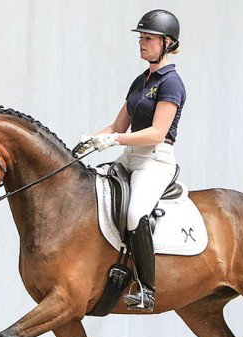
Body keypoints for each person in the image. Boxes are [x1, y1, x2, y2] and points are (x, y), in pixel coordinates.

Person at [77, 9, 186, 312]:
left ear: (166, 43)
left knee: (136, 213)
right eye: (141, 37)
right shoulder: (141, 81)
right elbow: (116, 127)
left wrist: (114, 141)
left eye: (147, 38)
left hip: (155, 160)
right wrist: (85, 142)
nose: (141, 42)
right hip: (129, 157)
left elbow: (156, 132)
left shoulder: (171, 83)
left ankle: (147, 289)